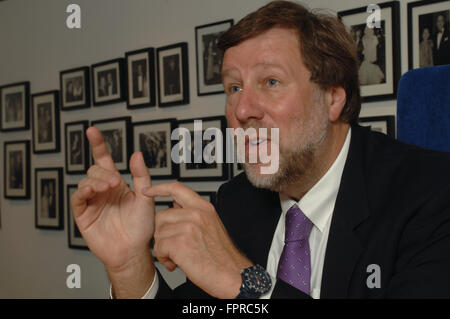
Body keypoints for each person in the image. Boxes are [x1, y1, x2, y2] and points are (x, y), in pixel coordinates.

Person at [71, 0, 450, 299]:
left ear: (333, 99)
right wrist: (128, 266)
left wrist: (247, 283)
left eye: (270, 81)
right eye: (234, 87)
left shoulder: (432, 194)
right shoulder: (235, 203)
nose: (242, 110)